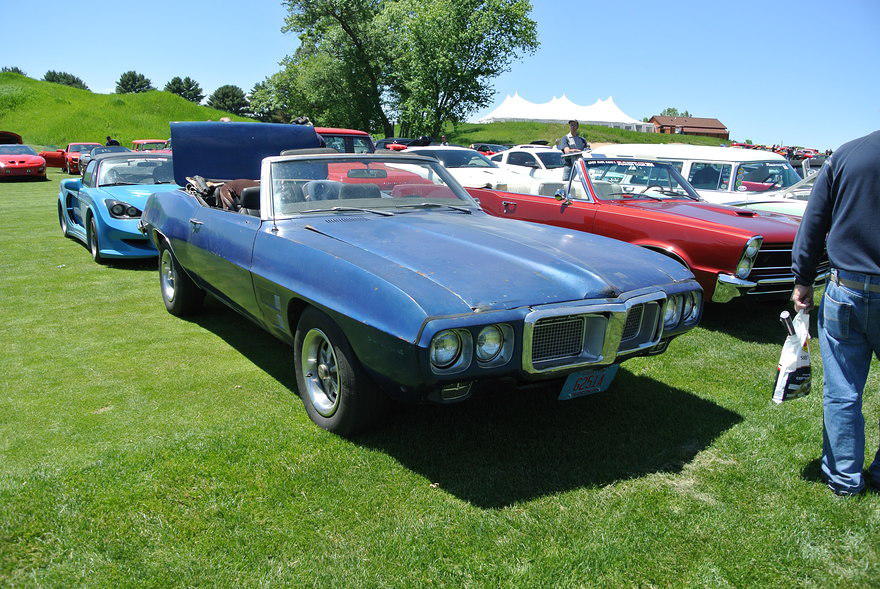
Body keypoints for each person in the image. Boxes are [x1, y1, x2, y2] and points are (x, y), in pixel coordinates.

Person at [791, 129, 880, 497]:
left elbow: (814, 220)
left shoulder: (849, 154)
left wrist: (803, 278)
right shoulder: (847, 154)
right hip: (849, 288)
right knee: (842, 388)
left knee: (843, 388)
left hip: (848, 289)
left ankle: (844, 478)